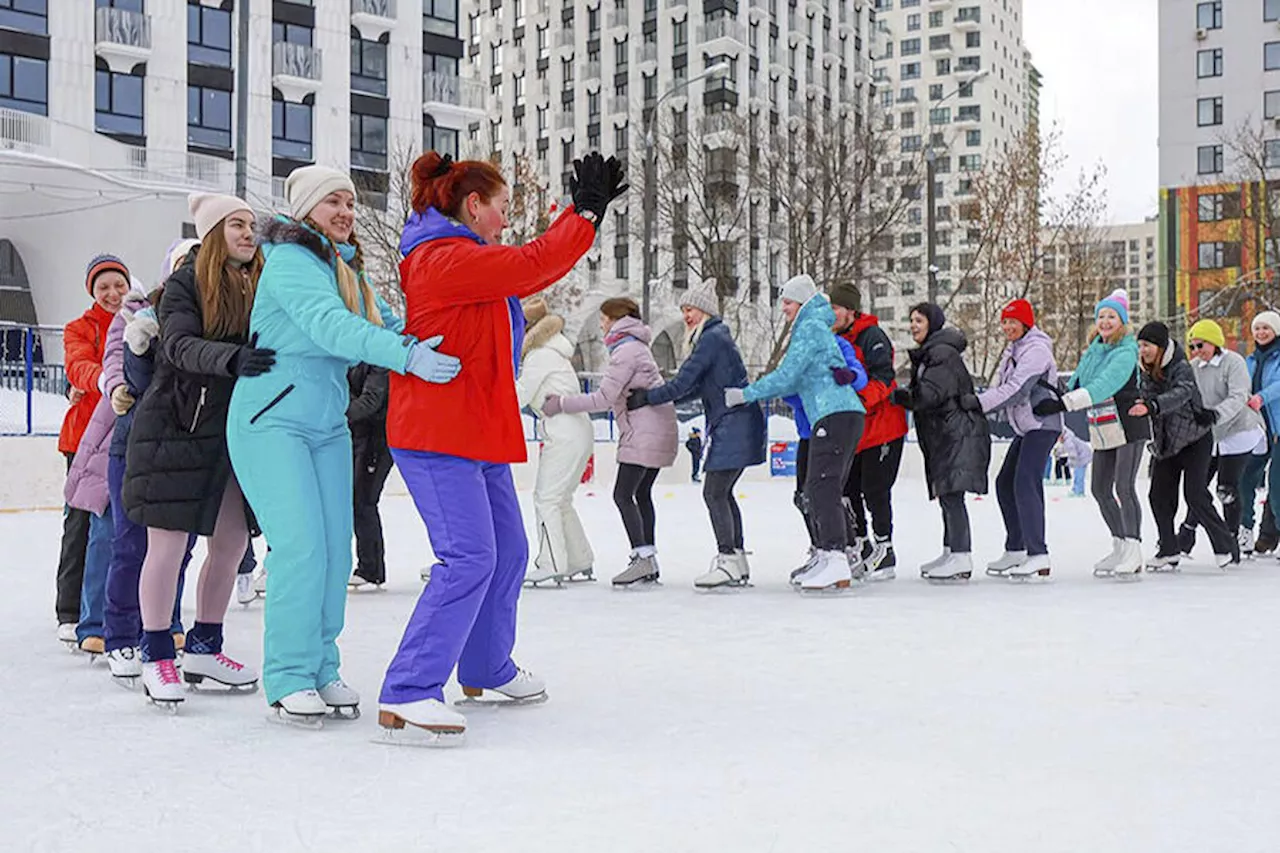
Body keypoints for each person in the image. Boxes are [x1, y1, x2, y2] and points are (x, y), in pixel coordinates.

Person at [376, 151, 624, 740]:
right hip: (437, 432)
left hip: (477, 428)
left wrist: (574, 216)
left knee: (508, 550)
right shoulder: (440, 257)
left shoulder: (470, 257)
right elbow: (530, 266)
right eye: (504, 208)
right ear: (474, 205)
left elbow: (518, 284)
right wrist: (583, 214)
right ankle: (409, 689)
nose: (508, 219)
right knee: (468, 558)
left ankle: (485, 665)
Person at [226, 167, 454, 725]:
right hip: (271, 420)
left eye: (351, 202)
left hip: (326, 423)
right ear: (306, 209)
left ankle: (322, 666)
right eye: (334, 201)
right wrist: (404, 357)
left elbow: (377, 319)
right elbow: (330, 327)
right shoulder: (290, 263)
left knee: (334, 550)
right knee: (301, 546)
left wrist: (419, 338)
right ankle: (287, 675)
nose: (347, 211)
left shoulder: (342, 266)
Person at [124, 193, 269, 706]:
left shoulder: (260, 283)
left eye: (252, 225)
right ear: (212, 234)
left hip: (231, 433)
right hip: (177, 427)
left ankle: (205, 646)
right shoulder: (186, 284)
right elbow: (178, 346)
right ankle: (157, 652)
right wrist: (235, 359)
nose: (249, 233)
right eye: (237, 225)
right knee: (167, 547)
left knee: (230, 543)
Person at [726, 274, 865, 591]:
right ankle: (831, 557)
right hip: (836, 414)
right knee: (818, 488)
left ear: (802, 302)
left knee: (821, 488)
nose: (784, 308)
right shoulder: (812, 326)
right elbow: (795, 381)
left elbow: (787, 375)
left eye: (788, 302)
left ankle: (835, 558)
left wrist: (745, 394)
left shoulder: (810, 327)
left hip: (835, 414)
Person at [625, 281, 767, 589]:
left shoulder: (711, 339)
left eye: (690, 309)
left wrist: (647, 398)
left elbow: (683, 381)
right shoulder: (715, 336)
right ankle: (737, 561)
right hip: (736, 422)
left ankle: (728, 559)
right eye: (684, 310)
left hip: (735, 423)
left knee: (714, 492)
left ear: (705, 310)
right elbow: (694, 389)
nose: (686, 315)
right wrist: (662, 400)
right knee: (722, 492)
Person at [102, 244, 197, 682]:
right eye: (183, 264)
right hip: (136, 445)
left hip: (186, 452)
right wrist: (118, 381)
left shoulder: (212, 319)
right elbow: (123, 372)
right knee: (132, 545)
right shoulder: (138, 317)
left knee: (177, 550)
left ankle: (163, 628)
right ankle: (119, 635)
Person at [547, 296, 679, 586]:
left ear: (617, 319)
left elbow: (603, 398)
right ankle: (648, 560)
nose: (602, 324)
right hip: (657, 427)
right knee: (641, 493)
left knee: (623, 494)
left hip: (644, 430)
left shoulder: (626, 351)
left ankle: (642, 558)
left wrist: (561, 403)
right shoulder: (635, 346)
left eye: (605, 318)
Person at [1034, 289, 1149, 577]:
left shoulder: (1126, 352)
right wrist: (1052, 391)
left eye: (1112, 316)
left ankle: (1134, 550)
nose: (1105, 321)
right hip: (1101, 426)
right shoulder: (1094, 351)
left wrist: (1064, 403)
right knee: (1099, 488)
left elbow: (1103, 385)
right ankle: (1120, 545)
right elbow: (1076, 382)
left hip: (1127, 424)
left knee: (1123, 486)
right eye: (1101, 316)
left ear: (1122, 322)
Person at [55, 256, 130, 649]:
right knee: (80, 524)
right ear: (93, 291)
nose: (113, 294)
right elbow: (77, 365)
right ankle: (70, 611)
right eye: (104, 287)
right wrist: (106, 379)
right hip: (84, 439)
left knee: (116, 528)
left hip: (121, 440)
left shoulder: (137, 321)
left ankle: (109, 605)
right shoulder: (79, 328)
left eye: (119, 285)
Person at [890, 303, 991, 581]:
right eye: (911, 320)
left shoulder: (941, 354)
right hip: (945, 433)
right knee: (947, 493)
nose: (913, 325)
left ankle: (961, 555)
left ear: (932, 323)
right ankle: (951, 551)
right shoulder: (932, 353)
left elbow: (929, 395)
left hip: (954, 433)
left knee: (952, 494)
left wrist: (899, 396)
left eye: (919, 320)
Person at [1129, 322, 1238, 570]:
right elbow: (1142, 396)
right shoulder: (1145, 370)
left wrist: (1153, 406)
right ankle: (1168, 549)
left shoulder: (1181, 366)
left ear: (1160, 346)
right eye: (1141, 346)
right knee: (1158, 496)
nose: (1143, 350)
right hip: (1166, 443)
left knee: (1195, 494)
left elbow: (1183, 392)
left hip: (1194, 440)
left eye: (1147, 345)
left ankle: (1226, 547)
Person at [828, 281, 909, 579]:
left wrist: (857, 402)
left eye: (835, 308)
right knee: (848, 489)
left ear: (850, 310)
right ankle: (861, 544)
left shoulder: (872, 336)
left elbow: (885, 379)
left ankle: (885, 549)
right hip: (857, 431)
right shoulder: (834, 337)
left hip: (883, 427)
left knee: (875, 490)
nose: (831, 314)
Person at [977, 299, 1060, 579]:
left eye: (1013, 322)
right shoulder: (1013, 349)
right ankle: (1016, 548)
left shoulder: (1036, 350)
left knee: (1026, 481)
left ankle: (1038, 553)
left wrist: (977, 404)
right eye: (1005, 322)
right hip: (1027, 426)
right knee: (1004, 483)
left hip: (1042, 423)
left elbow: (1016, 390)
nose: (1008, 327)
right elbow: (999, 387)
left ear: (1026, 323)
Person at [516, 297, 595, 586]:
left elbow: (519, 396)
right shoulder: (555, 352)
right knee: (561, 499)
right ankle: (578, 558)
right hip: (577, 430)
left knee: (546, 498)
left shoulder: (540, 356)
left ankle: (551, 561)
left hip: (562, 432)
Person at [1176, 318, 1265, 557]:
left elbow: (1239, 396)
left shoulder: (1233, 362)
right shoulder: (1194, 367)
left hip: (1239, 429)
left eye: (1200, 345)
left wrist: (1215, 414)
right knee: (1198, 487)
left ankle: (1231, 538)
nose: (1196, 351)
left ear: (1214, 342)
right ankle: (1186, 535)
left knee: (1226, 487)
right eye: (1192, 346)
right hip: (1211, 433)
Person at [347, 360, 394, 589]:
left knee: (364, 499)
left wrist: (335, 409)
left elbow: (371, 401)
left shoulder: (378, 361)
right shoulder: (346, 355)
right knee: (357, 500)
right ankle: (368, 566)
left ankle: (371, 568)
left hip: (378, 438)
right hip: (357, 436)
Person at [1245, 311, 1280, 556]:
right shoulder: (1250, 359)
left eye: (1266, 328)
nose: (1261, 333)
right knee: (1244, 478)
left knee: (1277, 485)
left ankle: (1271, 534)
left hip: (1278, 428)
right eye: (1257, 328)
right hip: (1257, 429)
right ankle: (1245, 529)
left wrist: (1261, 397)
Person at [1060, 429, 1093, 497]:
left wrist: (1071, 462)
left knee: (1079, 474)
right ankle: (1075, 489)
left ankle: (1079, 491)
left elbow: (1072, 453)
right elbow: (1065, 449)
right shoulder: (1068, 439)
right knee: (1076, 473)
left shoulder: (1068, 440)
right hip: (1081, 455)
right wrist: (1058, 452)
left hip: (1083, 456)